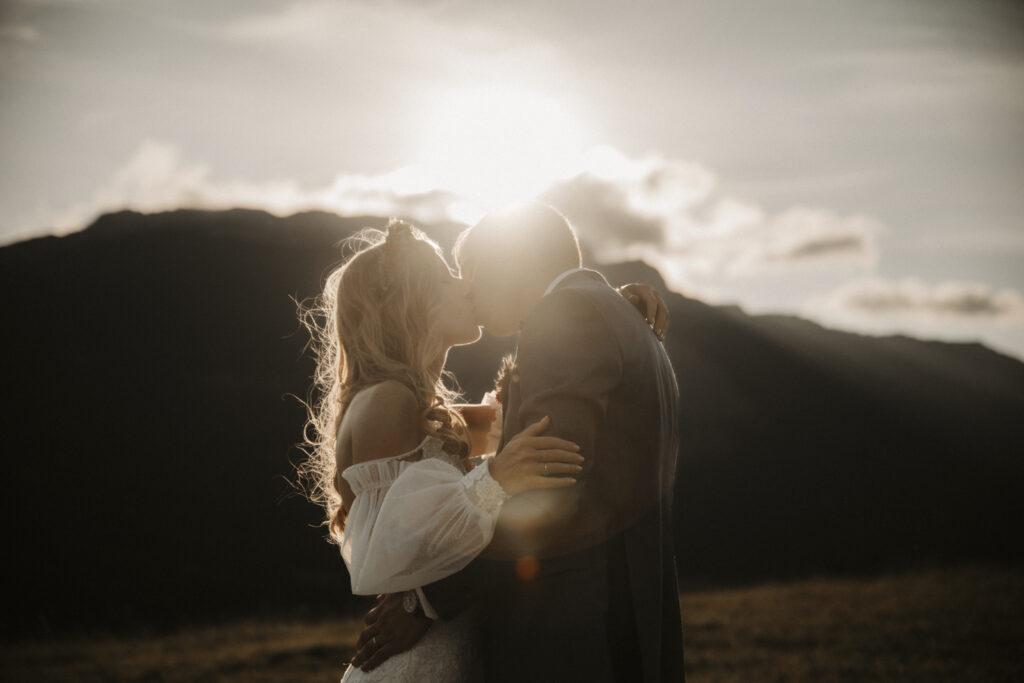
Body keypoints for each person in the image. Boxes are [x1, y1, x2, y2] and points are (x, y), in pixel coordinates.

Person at [298, 217, 669, 681]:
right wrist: (493, 481)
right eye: (445, 278)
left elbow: (528, 418)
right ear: (409, 304)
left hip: (455, 642)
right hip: (419, 659)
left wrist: (607, 305)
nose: (466, 286)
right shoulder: (389, 400)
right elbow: (398, 543)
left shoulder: (430, 411)